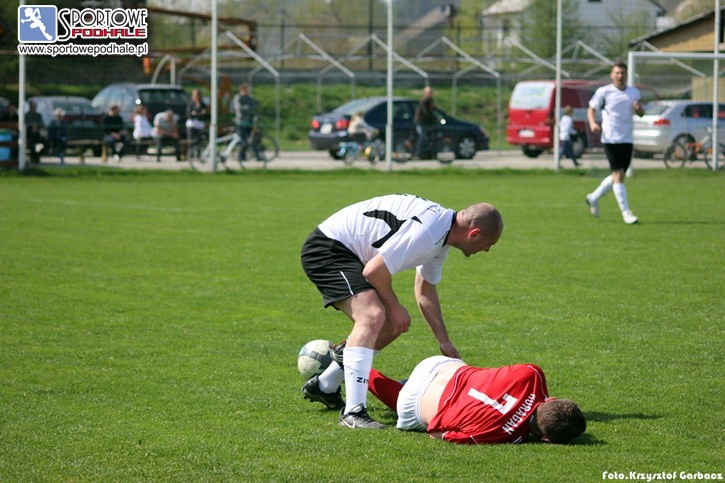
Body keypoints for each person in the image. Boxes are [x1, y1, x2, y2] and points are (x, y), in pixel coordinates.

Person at [300, 194, 504, 429]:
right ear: (474, 234)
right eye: (490, 244)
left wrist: (444, 342)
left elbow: (424, 291)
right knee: (372, 316)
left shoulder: (442, 235)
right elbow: (374, 271)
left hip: (349, 253)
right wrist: (395, 306)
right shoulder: (430, 231)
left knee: (392, 325)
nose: (487, 250)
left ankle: (324, 386)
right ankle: (353, 413)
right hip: (328, 248)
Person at [367, 355, 586, 444]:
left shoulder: (532, 374)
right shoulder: (504, 436)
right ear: (545, 438)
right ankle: (360, 370)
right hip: (412, 402)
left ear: (551, 399)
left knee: (473, 376)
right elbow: (436, 434)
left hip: (437, 365)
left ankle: (355, 357)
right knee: (416, 410)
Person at [586, 60, 644, 225]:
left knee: (618, 175)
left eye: (622, 73)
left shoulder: (634, 92)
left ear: (626, 74)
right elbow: (591, 108)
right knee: (618, 176)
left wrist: (639, 109)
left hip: (627, 138)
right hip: (610, 138)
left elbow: (641, 113)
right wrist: (593, 123)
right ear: (612, 75)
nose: (620, 75)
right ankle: (626, 213)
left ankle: (593, 197)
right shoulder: (604, 92)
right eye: (617, 73)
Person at [233, 83, 260, 161]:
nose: (246, 92)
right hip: (240, 122)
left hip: (249, 122)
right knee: (242, 140)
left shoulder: (250, 98)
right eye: (244, 90)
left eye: (247, 90)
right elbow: (239, 109)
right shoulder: (238, 98)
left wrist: (247, 109)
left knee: (250, 139)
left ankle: (253, 156)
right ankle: (241, 156)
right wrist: (248, 108)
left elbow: (254, 107)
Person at [414, 86, 437, 159]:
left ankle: (428, 153)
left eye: (431, 92)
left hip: (428, 122)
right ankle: (418, 153)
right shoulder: (424, 101)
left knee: (431, 136)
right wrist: (435, 118)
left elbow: (434, 110)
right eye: (428, 92)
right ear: (425, 93)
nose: (430, 94)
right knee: (423, 136)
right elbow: (426, 112)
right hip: (421, 121)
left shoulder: (431, 101)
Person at [185, 89, 208, 159]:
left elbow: (205, 115)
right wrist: (199, 113)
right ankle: (190, 155)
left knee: (199, 140)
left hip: (200, 125)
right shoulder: (191, 104)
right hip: (191, 124)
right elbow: (189, 114)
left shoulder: (203, 104)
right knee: (191, 140)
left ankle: (198, 155)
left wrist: (196, 114)